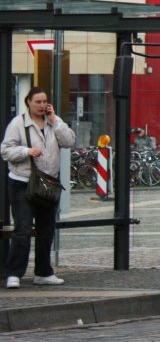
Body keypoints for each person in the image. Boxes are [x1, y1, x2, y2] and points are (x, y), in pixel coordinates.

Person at [2, 87, 76, 289]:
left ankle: (43, 272)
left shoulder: (53, 122)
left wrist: (56, 122)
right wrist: (26, 151)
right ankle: (14, 273)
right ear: (28, 102)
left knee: (46, 230)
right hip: (22, 183)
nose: (42, 106)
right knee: (23, 229)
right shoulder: (18, 124)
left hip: (48, 185)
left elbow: (69, 141)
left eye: (45, 102)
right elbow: (6, 151)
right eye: (38, 102)